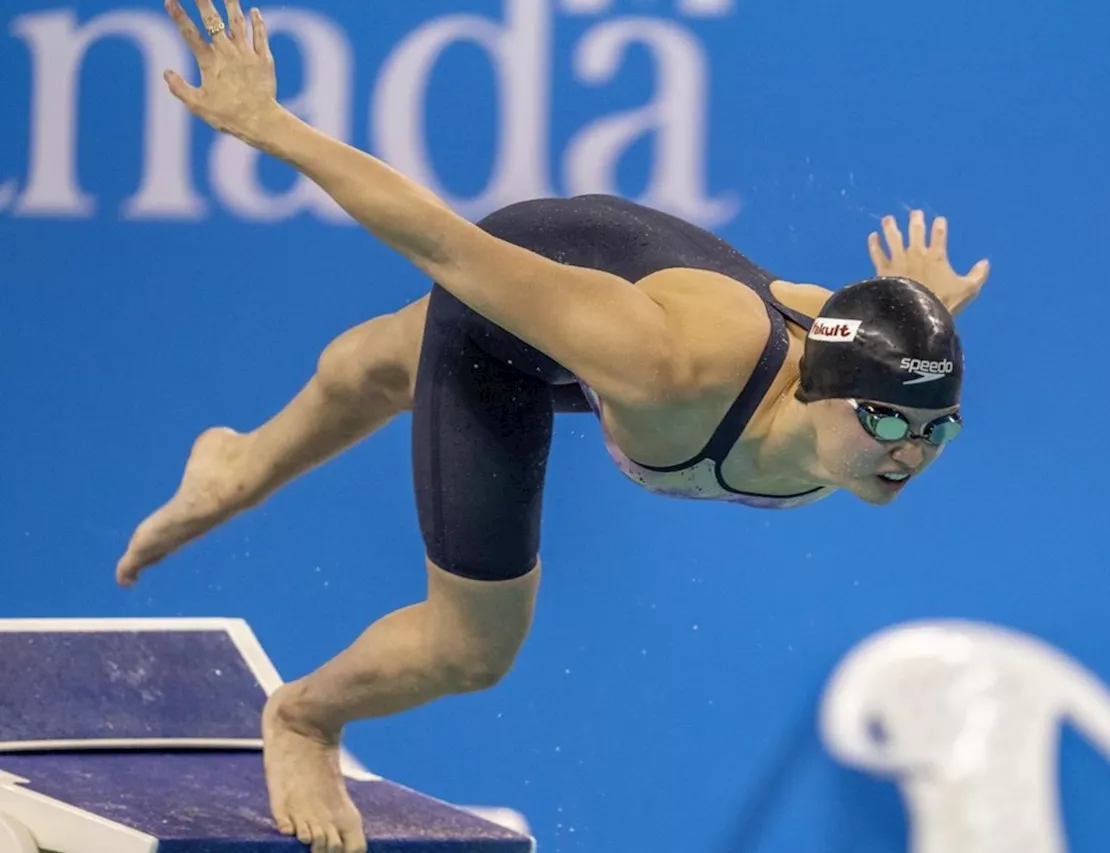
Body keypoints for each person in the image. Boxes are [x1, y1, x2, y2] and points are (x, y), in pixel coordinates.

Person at [117, 2, 992, 852]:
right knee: (472, 647)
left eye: (937, 431)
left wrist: (921, 310)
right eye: (886, 420)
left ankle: (235, 462)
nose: (910, 452)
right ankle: (304, 718)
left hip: (655, 331)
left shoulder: (853, 395)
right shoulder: (670, 364)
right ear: (818, 390)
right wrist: (271, 126)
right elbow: (446, 246)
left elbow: (869, 352)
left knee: (383, 365)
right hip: (569, 287)